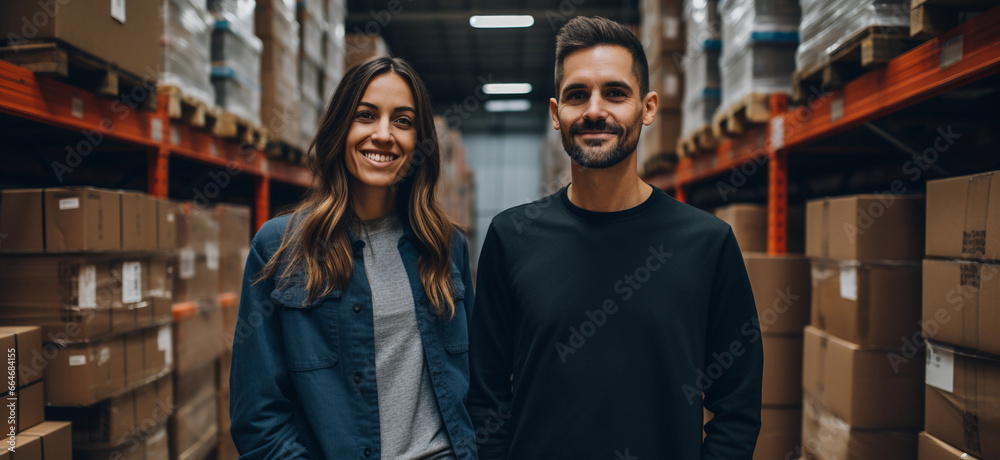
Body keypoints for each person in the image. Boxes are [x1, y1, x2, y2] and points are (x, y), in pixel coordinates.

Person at [468, 16, 763, 460]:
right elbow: (486, 394)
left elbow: (737, 403)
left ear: (647, 108)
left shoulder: (707, 244)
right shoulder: (512, 238)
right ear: (555, 113)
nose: (594, 110)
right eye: (577, 95)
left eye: (615, 92)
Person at [230, 57, 477, 460]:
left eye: (403, 121)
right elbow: (257, 418)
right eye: (365, 116)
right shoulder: (280, 247)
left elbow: (476, 388)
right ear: (340, 128)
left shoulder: (446, 246)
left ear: (420, 142)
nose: (383, 134)